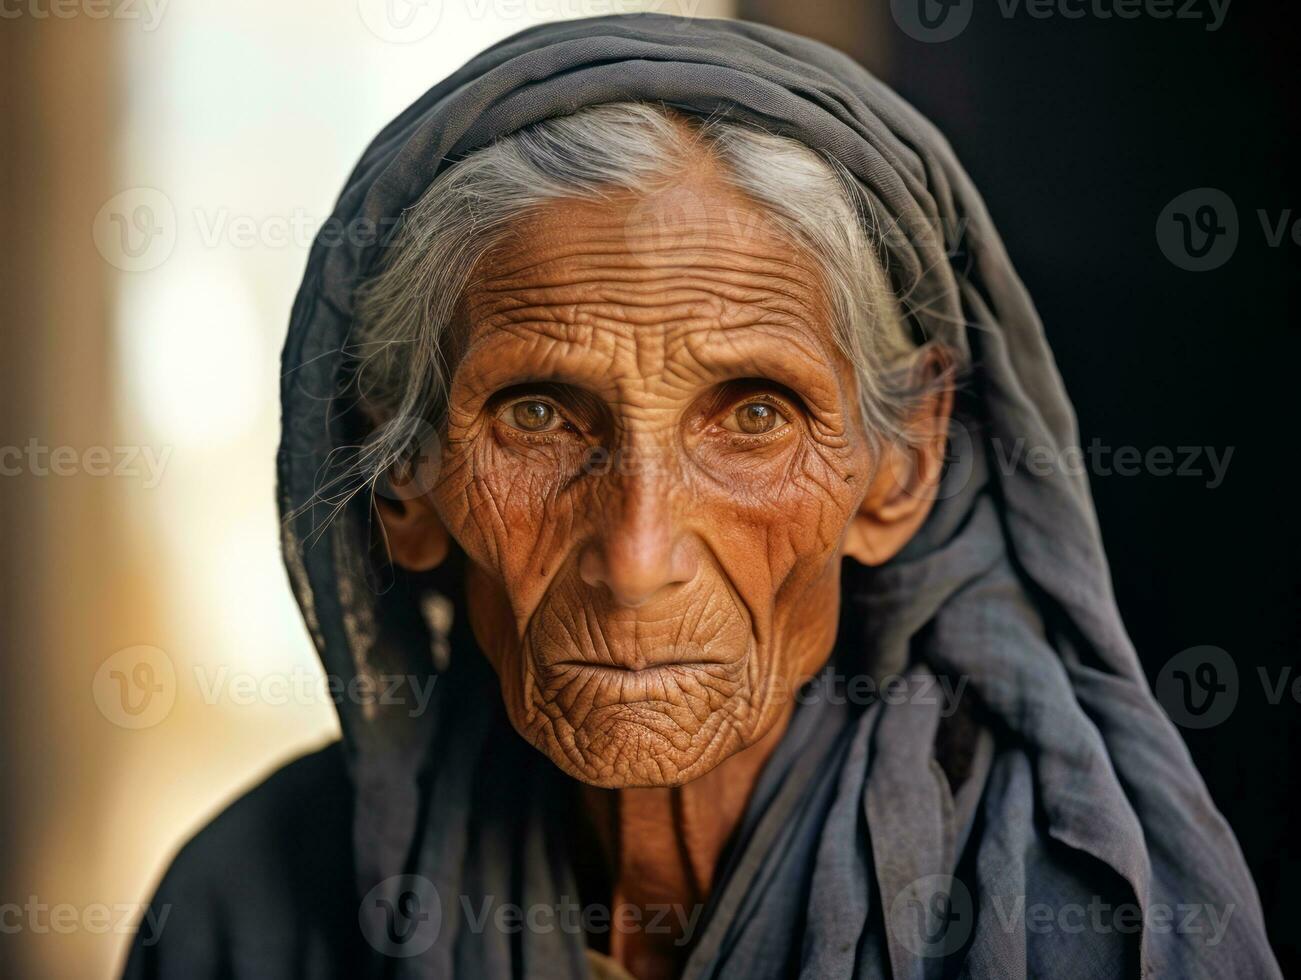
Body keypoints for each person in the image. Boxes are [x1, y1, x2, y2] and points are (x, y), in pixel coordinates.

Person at [123, 14, 1280, 979]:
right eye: (535, 414)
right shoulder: (250, 911)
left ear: (901, 463)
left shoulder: (1079, 926)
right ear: (405, 477)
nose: (635, 555)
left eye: (755, 415)